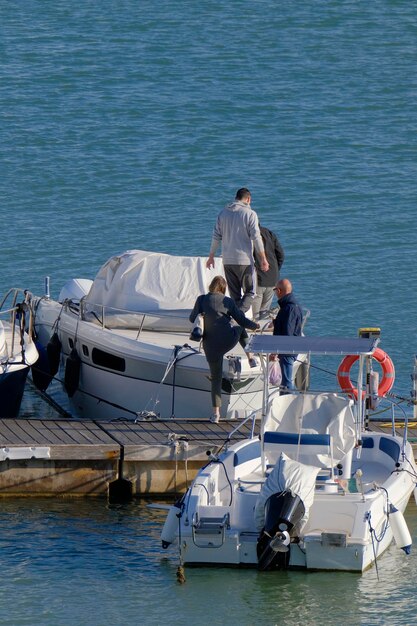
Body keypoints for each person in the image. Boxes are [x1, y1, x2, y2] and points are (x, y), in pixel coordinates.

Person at [189, 275, 260, 423]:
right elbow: (241, 320)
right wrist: (255, 326)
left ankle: (216, 415)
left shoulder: (201, 300)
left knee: (216, 379)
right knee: (240, 329)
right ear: (223, 289)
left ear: (211, 286)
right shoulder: (228, 301)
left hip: (210, 345)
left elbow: (192, 318)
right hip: (227, 340)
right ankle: (251, 358)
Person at [206, 188, 269, 312]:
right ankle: (237, 318)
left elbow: (216, 236)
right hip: (244, 261)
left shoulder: (222, 213)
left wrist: (211, 256)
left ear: (236, 198)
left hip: (227, 260)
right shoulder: (250, 214)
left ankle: (235, 322)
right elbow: (256, 238)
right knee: (251, 293)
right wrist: (263, 259)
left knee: (235, 297)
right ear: (248, 199)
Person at [272, 278, 303, 391]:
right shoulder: (292, 305)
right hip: (291, 348)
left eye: (275, 290)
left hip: (287, 350)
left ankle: (287, 401)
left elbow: (287, 332)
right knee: (287, 379)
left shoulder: (288, 308)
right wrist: (277, 322)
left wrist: (277, 350)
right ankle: (287, 399)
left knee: (286, 380)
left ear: (279, 291)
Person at [252, 224, 285, 320]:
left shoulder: (248, 236)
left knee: (255, 315)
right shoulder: (269, 233)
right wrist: (275, 270)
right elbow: (281, 255)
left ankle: (256, 331)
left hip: (258, 279)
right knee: (265, 311)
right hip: (272, 278)